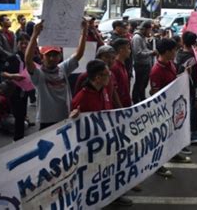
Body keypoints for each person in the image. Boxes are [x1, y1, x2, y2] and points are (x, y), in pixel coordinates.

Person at [70, 59, 133, 207]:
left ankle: (115, 194)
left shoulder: (103, 90)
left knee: (111, 169)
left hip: (108, 140)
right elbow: (74, 127)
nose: (110, 77)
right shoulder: (82, 98)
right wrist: (73, 117)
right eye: (107, 74)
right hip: (93, 147)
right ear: (98, 77)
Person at [25, 20, 88, 130]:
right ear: (42, 57)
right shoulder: (39, 74)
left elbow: (79, 54)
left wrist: (84, 32)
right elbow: (28, 61)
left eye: (55, 55)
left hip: (65, 117)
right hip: (47, 121)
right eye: (48, 55)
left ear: (60, 57)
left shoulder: (63, 69)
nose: (52, 58)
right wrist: (34, 35)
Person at [149, 38, 191, 177]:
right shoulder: (156, 70)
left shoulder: (170, 64)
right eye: (173, 50)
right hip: (163, 109)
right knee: (161, 138)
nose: (175, 52)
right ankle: (158, 165)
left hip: (173, 106)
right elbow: (155, 93)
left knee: (172, 133)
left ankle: (173, 153)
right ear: (166, 52)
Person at [1, 33, 36, 141]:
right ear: (17, 44)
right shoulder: (12, 58)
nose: (24, 46)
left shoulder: (31, 57)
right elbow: (3, 72)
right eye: (22, 43)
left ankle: (21, 131)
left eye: (27, 43)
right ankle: (17, 139)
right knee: (18, 115)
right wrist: (13, 76)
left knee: (22, 113)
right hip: (15, 91)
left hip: (25, 90)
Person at [175, 31, 197, 144]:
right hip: (189, 88)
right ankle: (192, 132)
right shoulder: (191, 58)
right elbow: (195, 78)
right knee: (192, 109)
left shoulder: (178, 54)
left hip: (178, 87)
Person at [131, 20, 157, 103]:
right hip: (140, 64)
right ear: (144, 29)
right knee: (139, 84)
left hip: (146, 64)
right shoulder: (137, 38)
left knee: (144, 84)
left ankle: (142, 99)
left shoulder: (142, 37)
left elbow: (144, 49)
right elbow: (138, 53)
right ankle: (136, 100)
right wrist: (151, 53)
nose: (150, 32)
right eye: (149, 30)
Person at [110, 38, 132, 108]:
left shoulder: (122, 64)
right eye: (128, 48)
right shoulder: (115, 67)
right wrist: (120, 107)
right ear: (121, 50)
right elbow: (114, 91)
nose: (130, 51)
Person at [0, 14, 16, 83]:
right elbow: (0, 50)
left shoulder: (12, 33)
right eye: (7, 20)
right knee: (5, 83)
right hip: (3, 62)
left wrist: (15, 55)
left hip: (13, 61)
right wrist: (11, 55)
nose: (10, 21)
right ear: (2, 23)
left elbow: (15, 46)